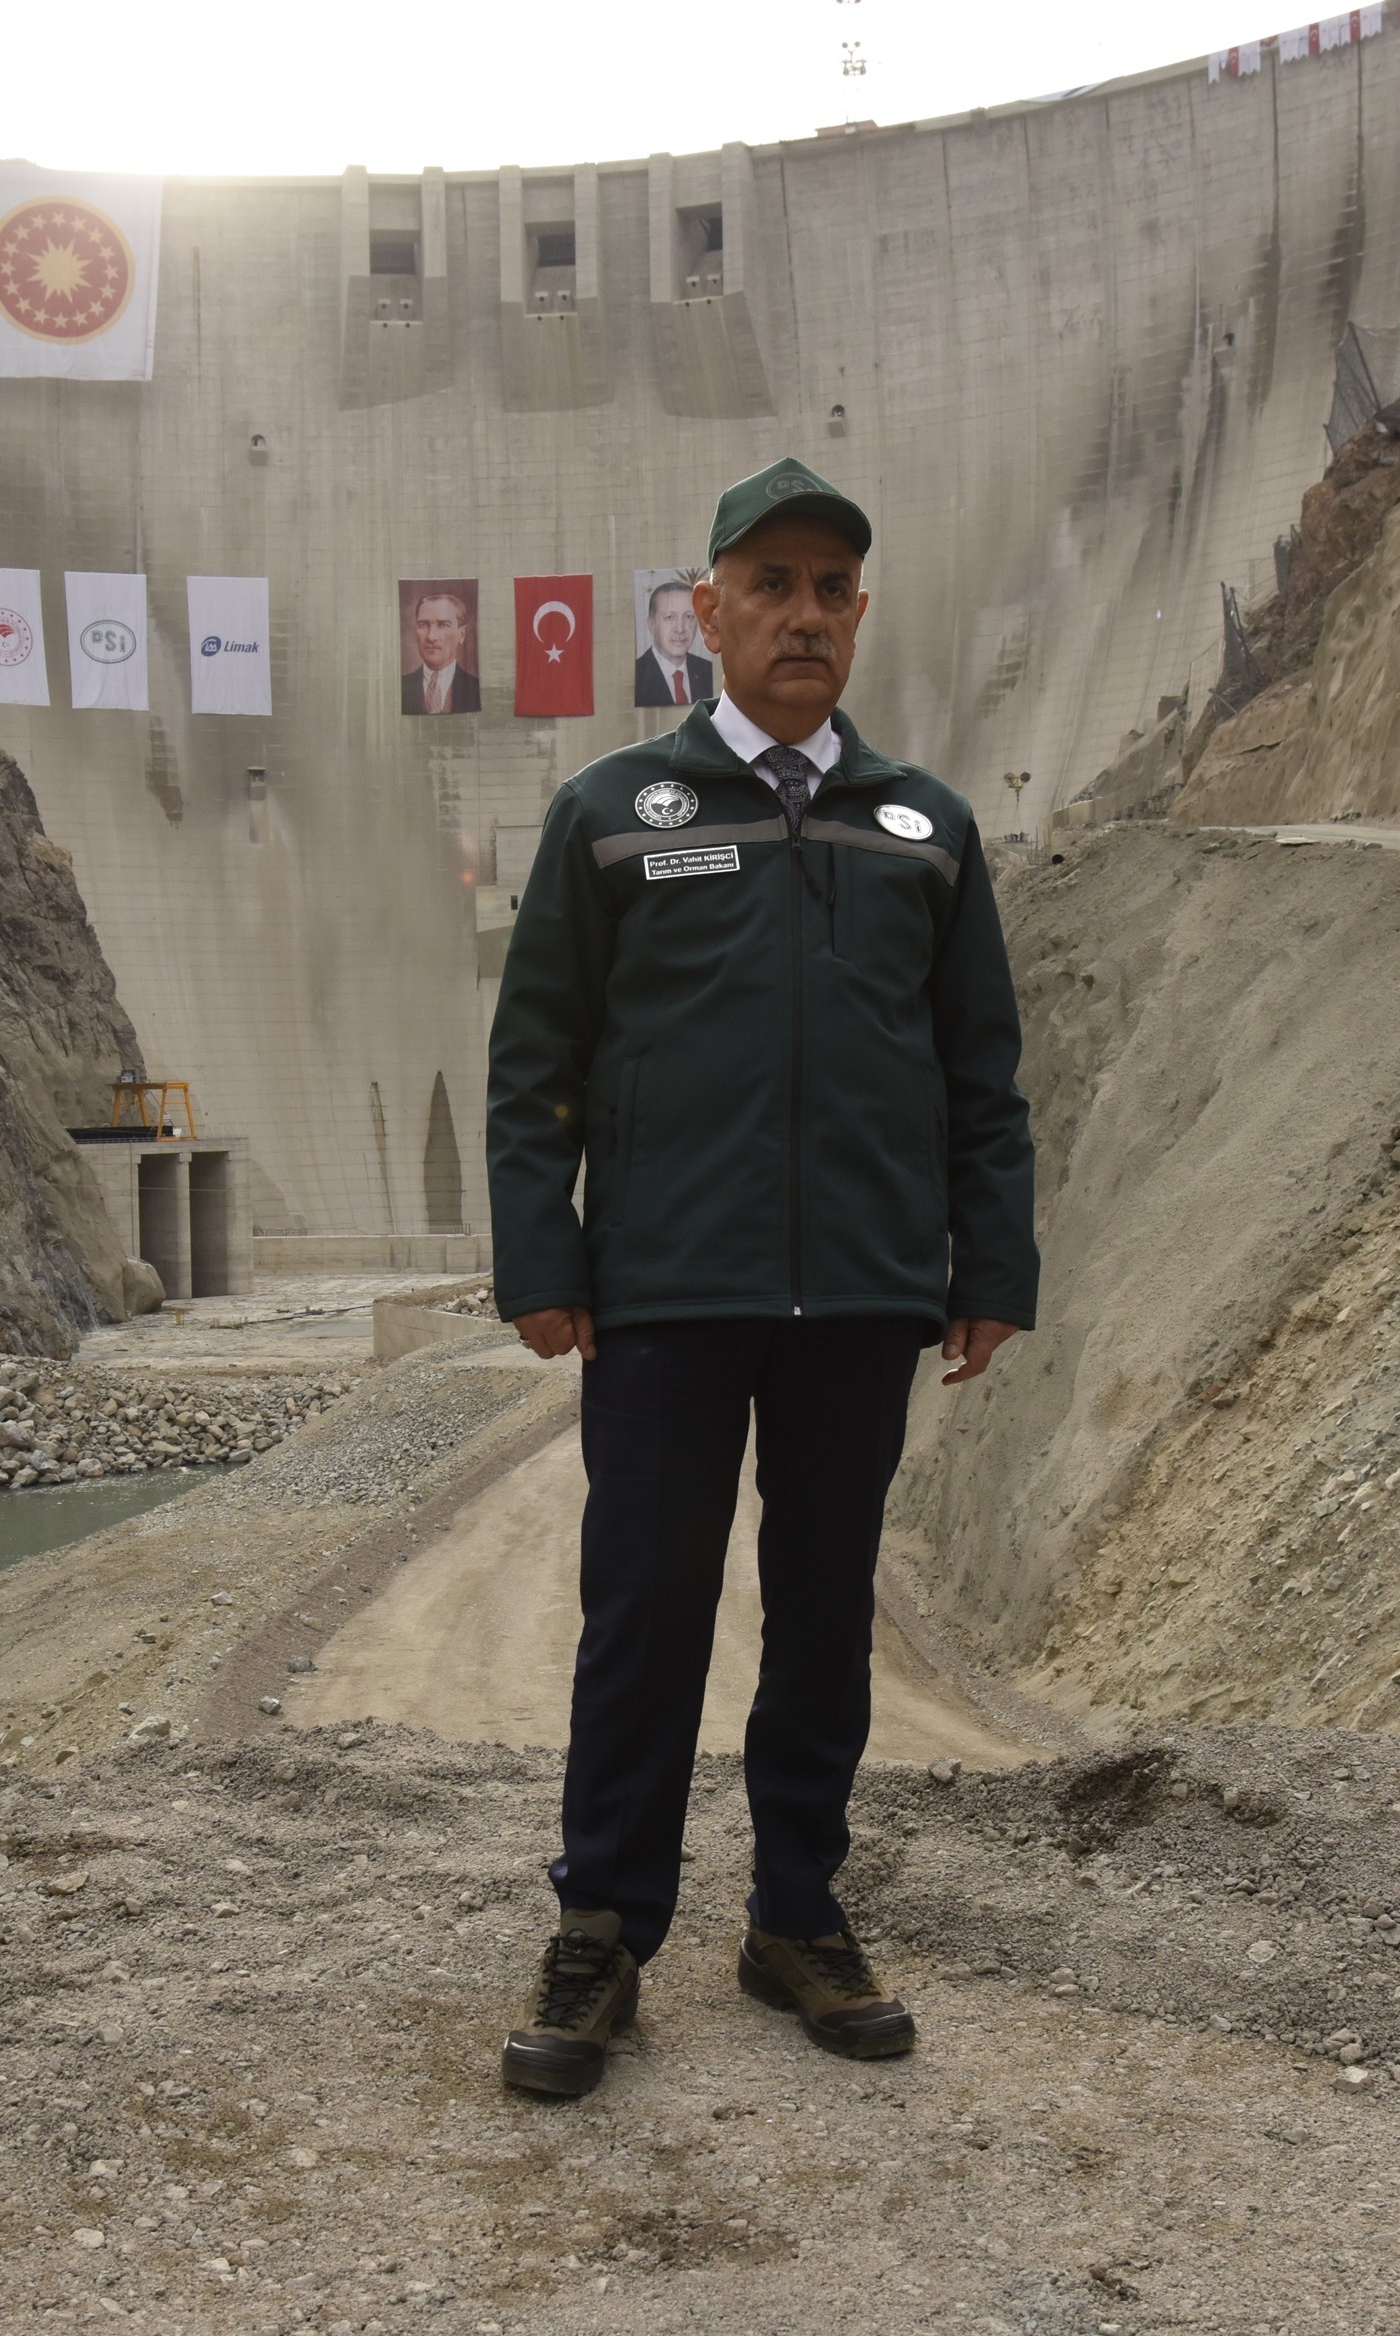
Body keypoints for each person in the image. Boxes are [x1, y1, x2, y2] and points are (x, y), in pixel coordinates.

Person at [482, 457, 1038, 2099]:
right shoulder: (609, 818)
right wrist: (543, 1256)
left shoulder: (924, 829)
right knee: (643, 1613)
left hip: (862, 1296)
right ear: (707, 610)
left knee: (821, 1621)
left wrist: (985, 1261)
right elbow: (537, 1065)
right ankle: (602, 1929)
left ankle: (797, 1914)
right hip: (663, 1290)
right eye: (768, 585)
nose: (800, 616)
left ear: (858, 617)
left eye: (828, 591)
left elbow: (981, 1074)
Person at [629, 574, 715, 707]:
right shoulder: (638, 675)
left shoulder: (708, 671)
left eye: (688, 617)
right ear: (652, 624)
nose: (680, 629)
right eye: (670, 617)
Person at [403, 587, 481, 714]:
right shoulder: (401, 687)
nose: (431, 637)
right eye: (423, 625)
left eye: (443, 625)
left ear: (461, 634)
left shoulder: (475, 689)